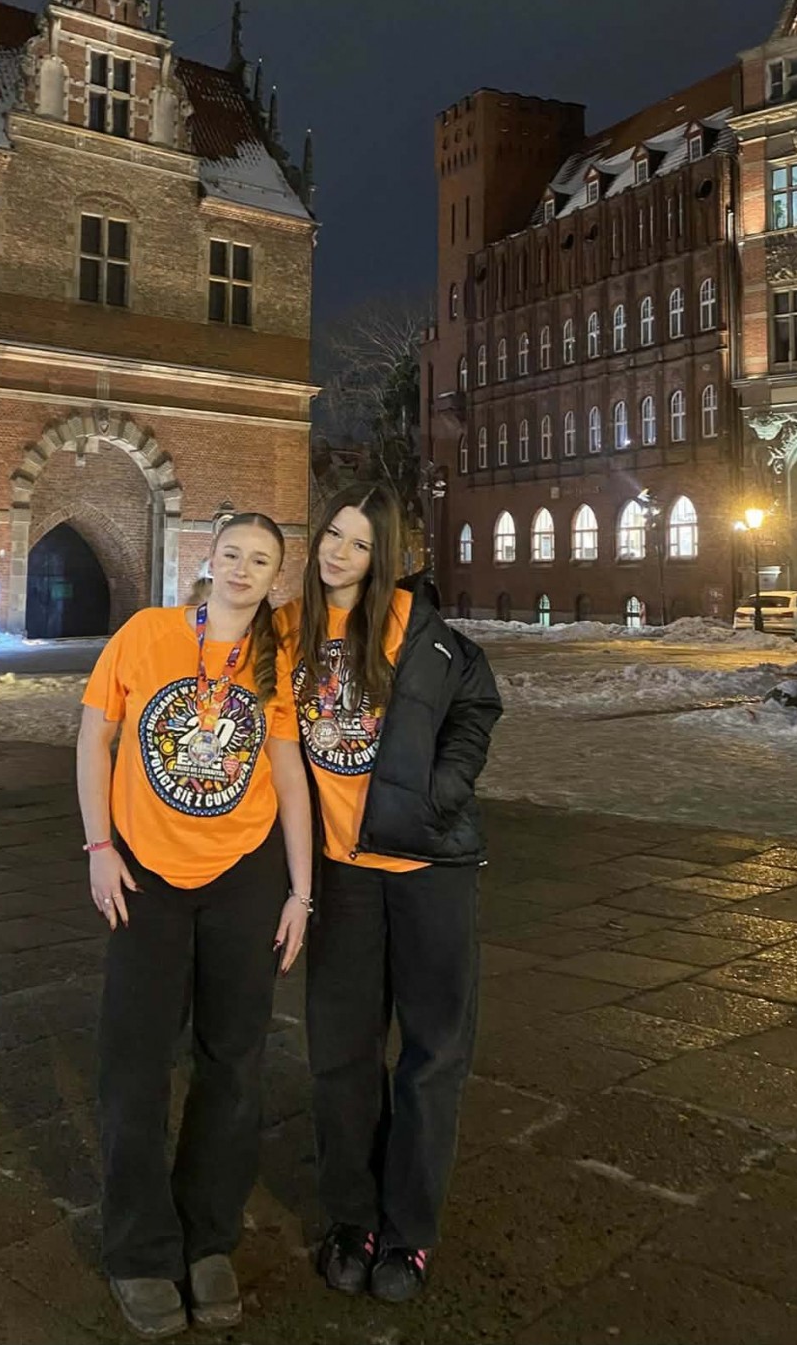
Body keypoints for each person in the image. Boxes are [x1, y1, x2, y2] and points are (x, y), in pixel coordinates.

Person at [77, 512, 312, 1340]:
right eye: (232, 553)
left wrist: (301, 891)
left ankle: (209, 1234)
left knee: (234, 1060)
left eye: (261, 560)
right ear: (208, 558)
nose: (243, 569)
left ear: (276, 576)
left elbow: (287, 769)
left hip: (244, 877)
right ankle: (140, 1247)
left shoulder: (276, 658)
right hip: (145, 873)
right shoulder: (147, 634)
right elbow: (95, 736)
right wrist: (98, 845)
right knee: (134, 1062)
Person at [275, 484, 502, 1305]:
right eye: (332, 534)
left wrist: (444, 788)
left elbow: (478, 700)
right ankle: (351, 1215)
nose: (339, 553)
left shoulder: (415, 625)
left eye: (360, 543)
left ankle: (409, 1228)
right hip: (341, 873)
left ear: (383, 558)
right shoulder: (288, 630)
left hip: (427, 868)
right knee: (341, 1052)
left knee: (432, 1053)